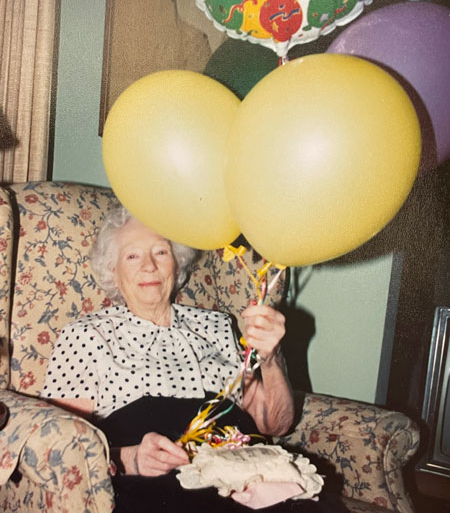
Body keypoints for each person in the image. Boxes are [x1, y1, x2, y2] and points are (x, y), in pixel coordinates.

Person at [42, 205, 348, 513]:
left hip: (242, 471)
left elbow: (278, 424)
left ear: (176, 264)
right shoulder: (86, 335)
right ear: (113, 272)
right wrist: (129, 458)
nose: (149, 266)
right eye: (132, 256)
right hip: (155, 485)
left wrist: (272, 358)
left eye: (161, 252)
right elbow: (58, 444)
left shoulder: (217, 326)